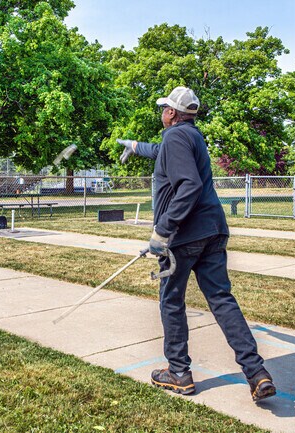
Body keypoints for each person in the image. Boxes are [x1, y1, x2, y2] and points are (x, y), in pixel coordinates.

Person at [116, 87, 276, 402]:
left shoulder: (174, 138)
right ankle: (256, 373)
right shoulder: (190, 136)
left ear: (172, 113)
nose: (161, 112)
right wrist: (135, 146)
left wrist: (163, 230)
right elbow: (160, 150)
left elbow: (188, 184)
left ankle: (178, 373)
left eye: (164, 108)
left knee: (171, 301)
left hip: (182, 237)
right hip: (212, 230)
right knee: (221, 299)